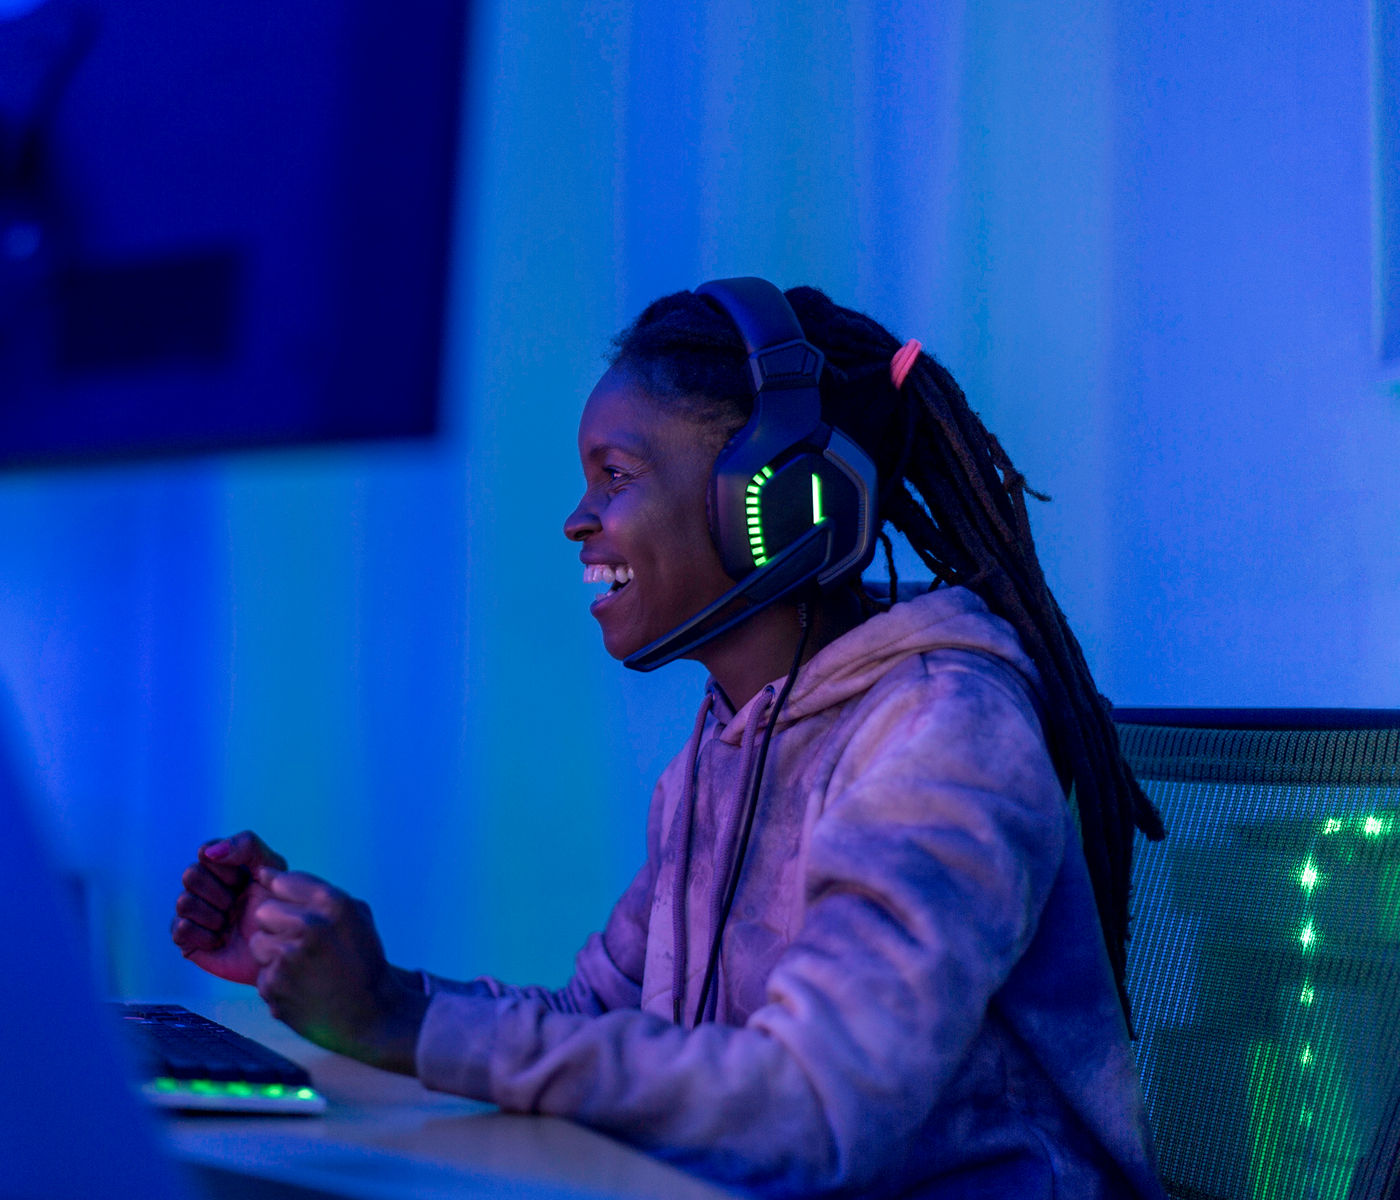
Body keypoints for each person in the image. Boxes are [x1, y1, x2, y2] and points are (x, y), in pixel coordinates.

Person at [171, 280, 1168, 1198]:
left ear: (776, 502)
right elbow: (595, 1025)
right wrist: (337, 979)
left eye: (615, 475)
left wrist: (402, 1022)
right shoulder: (726, 745)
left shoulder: (941, 732)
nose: (576, 519)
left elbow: (817, 1109)